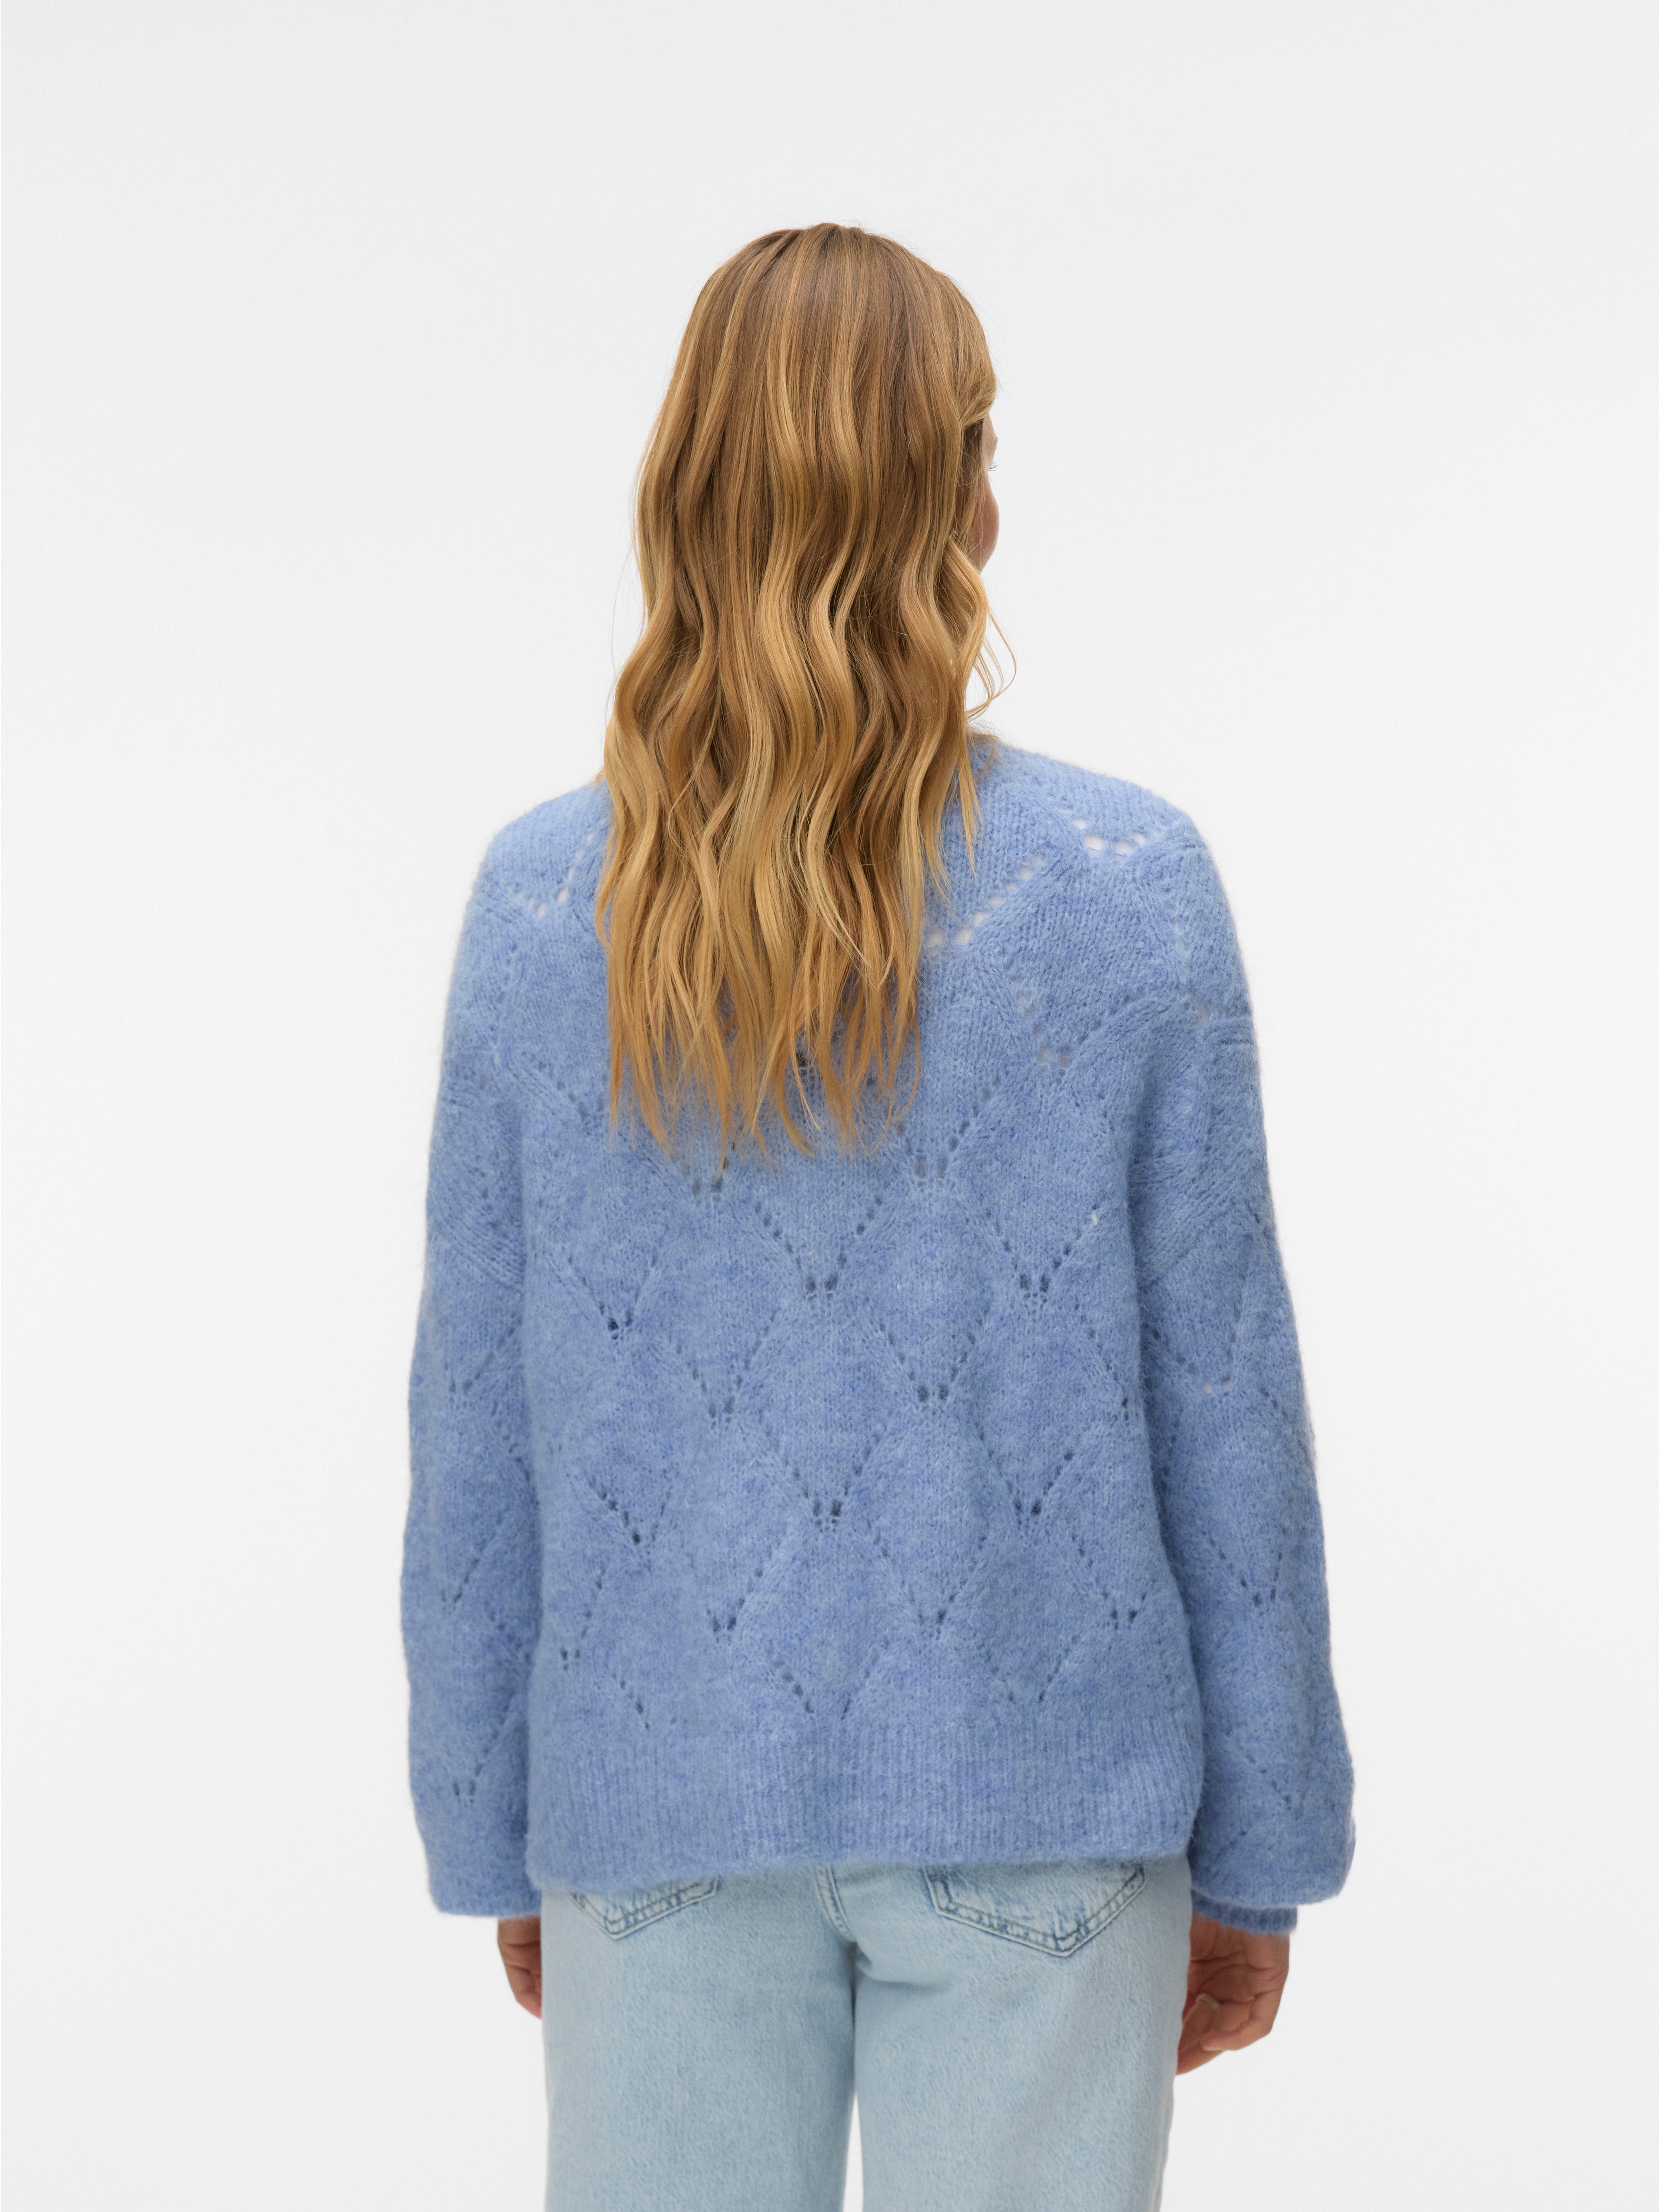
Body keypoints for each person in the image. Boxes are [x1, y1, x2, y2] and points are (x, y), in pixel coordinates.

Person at [401, 223, 1354, 2212]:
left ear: (685, 491)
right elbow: (1228, 1410)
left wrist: (495, 1833)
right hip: (1048, 1815)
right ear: (965, 500)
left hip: (655, 1818)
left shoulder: (539, 906)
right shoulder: (1129, 885)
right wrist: (1264, 1851)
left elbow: (477, 1418)